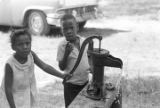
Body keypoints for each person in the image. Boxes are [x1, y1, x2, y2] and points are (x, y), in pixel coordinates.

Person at [0, 30, 68, 108]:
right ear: (13, 47)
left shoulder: (31, 55)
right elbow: (8, 90)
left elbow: (45, 67)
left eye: (27, 43)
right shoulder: (10, 64)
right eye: (20, 44)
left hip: (27, 94)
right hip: (12, 98)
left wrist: (62, 75)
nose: (25, 47)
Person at [56, 14, 91, 108]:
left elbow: (89, 58)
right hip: (71, 86)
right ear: (61, 31)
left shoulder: (84, 41)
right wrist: (67, 53)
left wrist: (91, 68)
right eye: (65, 29)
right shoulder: (62, 45)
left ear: (77, 27)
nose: (69, 31)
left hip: (85, 83)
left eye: (71, 28)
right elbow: (61, 67)